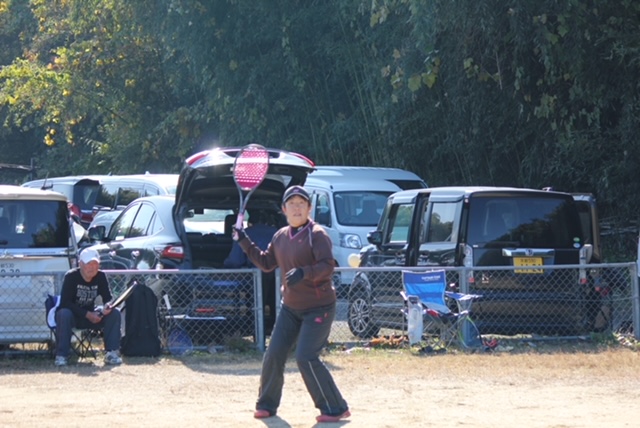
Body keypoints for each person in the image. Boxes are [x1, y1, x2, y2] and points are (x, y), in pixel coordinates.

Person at [233, 185, 350, 423]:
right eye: (292, 204)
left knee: (305, 357)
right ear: (284, 209)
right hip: (290, 307)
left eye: (301, 203)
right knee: (274, 354)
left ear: (309, 208)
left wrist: (304, 272)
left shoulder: (317, 235)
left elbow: (328, 266)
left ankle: (335, 408)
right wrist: (243, 240)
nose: (297, 208)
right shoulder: (280, 236)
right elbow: (266, 263)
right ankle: (266, 405)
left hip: (319, 308)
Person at [54, 248, 123, 366]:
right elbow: (65, 303)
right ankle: (62, 356)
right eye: (88, 264)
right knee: (63, 313)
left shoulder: (101, 276)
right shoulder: (71, 276)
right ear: (80, 264)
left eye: (95, 264)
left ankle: (111, 353)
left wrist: (107, 306)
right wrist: (87, 314)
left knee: (114, 312)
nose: (92, 267)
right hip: (73, 317)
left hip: (91, 315)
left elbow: (107, 298)